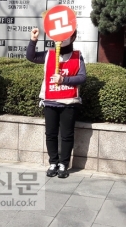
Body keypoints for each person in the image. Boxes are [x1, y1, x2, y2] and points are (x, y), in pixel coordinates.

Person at [27, 28, 86, 179]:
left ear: (73, 37)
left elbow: (82, 77)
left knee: (67, 135)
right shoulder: (49, 55)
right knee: (51, 134)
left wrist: (64, 80)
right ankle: (53, 162)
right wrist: (33, 40)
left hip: (69, 102)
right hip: (50, 101)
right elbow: (31, 57)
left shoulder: (77, 56)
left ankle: (64, 164)